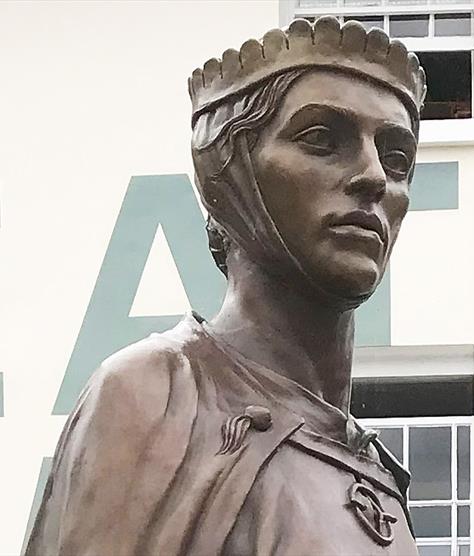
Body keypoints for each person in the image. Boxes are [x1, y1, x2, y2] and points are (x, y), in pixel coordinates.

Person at [26, 17, 424, 556]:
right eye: (322, 140)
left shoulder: (378, 479)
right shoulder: (160, 394)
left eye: (396, 157)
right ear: (231, 177)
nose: (376, 176)